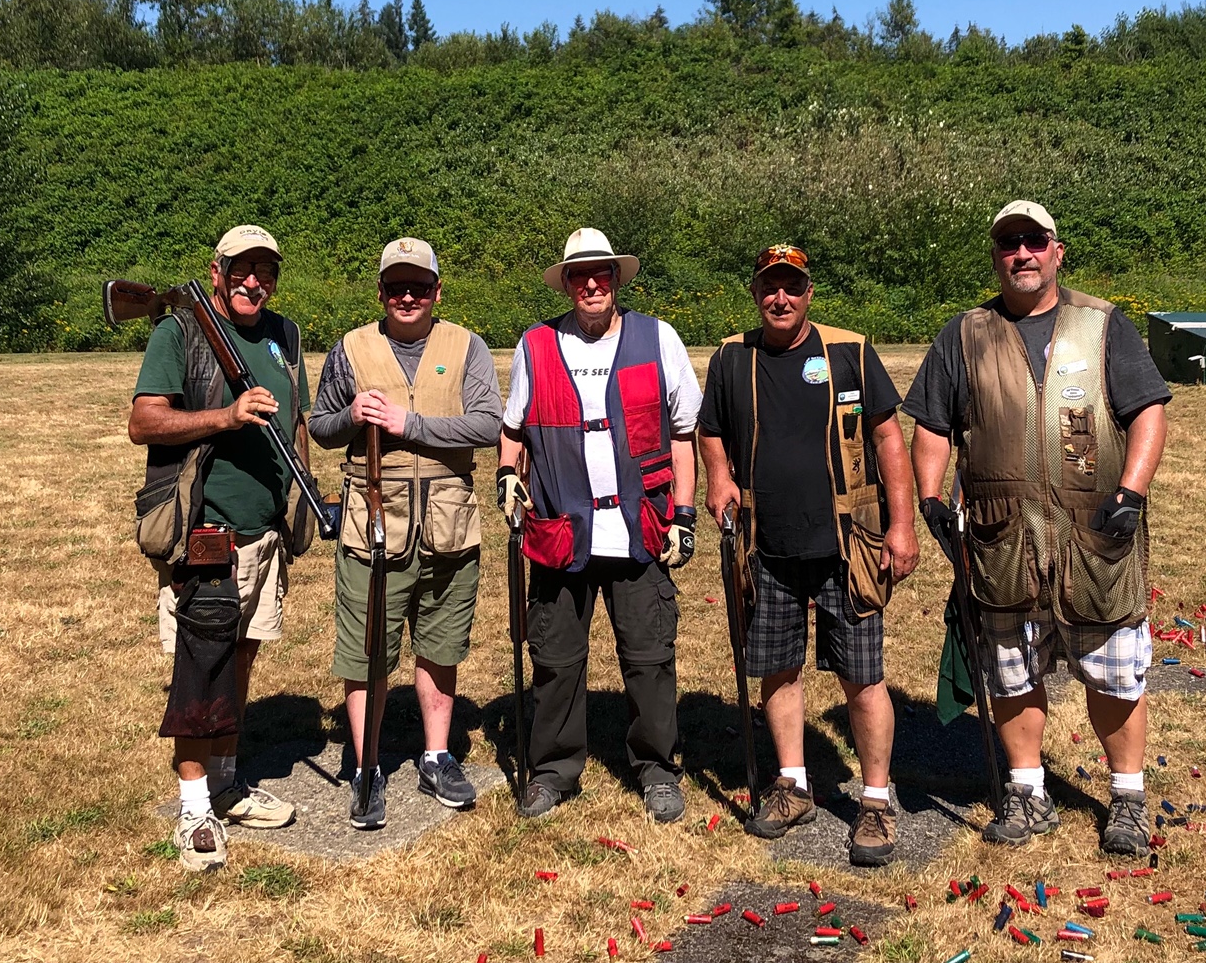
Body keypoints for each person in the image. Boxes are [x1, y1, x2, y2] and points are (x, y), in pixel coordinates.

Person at [905, 200, 1170, 856]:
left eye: (1033, 241)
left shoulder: (1105, 325)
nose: (1020, 253)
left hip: (1095, 539)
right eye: (1008, 244)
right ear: (996, 257)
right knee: (1011, 669)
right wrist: (932, 495)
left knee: (1115, 674)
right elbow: (933, 425)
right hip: (1002, 543)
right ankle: (1027, 794)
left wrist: (1131, 492)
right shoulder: (963, 334)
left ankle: (1129, 800)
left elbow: (1148, 413)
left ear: (1056, 251)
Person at [698, 244, 919, 866]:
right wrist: (718, 477)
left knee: (863, 677)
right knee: (778, 669)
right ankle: (792, 783)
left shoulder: (848, 350)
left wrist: (901, 526)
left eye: (792, 286)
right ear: (756, 293)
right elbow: (709, 429)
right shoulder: (731, 357)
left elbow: (886, 436)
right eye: (770, 286)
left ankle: (875, 800)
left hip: (848, 545)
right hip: (765, 544)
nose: (781, 298)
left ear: (808, 292)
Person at [495, 228, 702, 823]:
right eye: (580, 274)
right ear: (566, 282)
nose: (591, 283)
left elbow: (683, 434)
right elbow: (513, 429)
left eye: (602, 273)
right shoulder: (535, 346)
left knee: (649, 658)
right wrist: (508, 475)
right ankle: (555, 770)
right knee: (556, 659)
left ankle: (658, 770)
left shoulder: (658, 339)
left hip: (641, 532)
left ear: (616, 280)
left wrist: (683, 515)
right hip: (562, 532)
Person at [129, 224, 308, 871]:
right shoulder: (180, 333)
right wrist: (224, 418)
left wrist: (298, 503)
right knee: (199, 670)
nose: (254, 281)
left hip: (265, 536)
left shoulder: (284, 338)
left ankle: (227, 782)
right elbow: (143, 421)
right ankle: (194, 808)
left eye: (266, 270)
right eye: (242, 269)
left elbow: (298, 421)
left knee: (241, 661)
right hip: (207, 535)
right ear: (216, 272)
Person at [309, 238, 502, 829]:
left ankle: (437, 756)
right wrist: (352, 418)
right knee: (367, 648)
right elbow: (319, 426)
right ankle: (367, 766)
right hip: (374, 523)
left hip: (449, 521)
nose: (409, 295)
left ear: (437, 291)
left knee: (441, 645)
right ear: (382, 292)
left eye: (419, 285)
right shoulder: (352, 348)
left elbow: (489, 423)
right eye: (397, 286)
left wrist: (406, 423)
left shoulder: (466, 346)